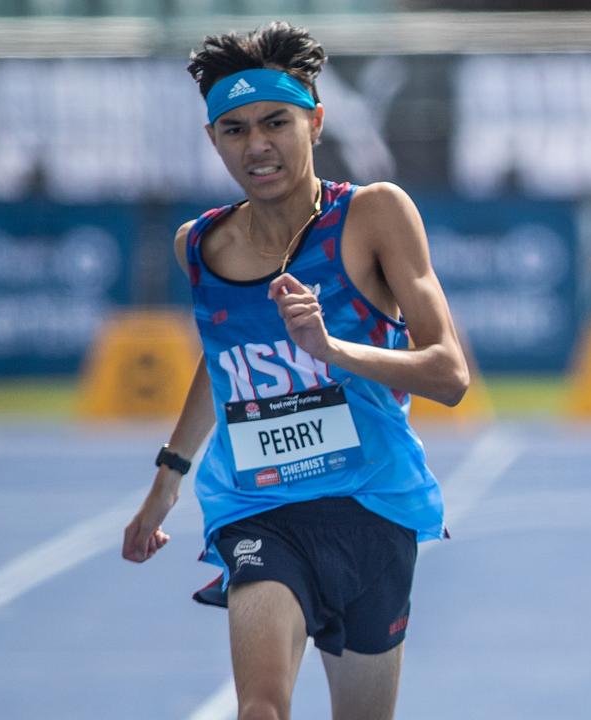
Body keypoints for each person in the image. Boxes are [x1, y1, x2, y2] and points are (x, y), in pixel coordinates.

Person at [121, 22, 469, 720]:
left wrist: (331, 349)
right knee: (260, 710)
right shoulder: (199, 244)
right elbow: (223, 363)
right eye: (235, 129)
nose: (257, 146)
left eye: (275, 122)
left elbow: (450, 373)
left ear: (315, 120)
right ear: (213, 138)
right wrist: (167, 483)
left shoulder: (373, 214)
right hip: (261, 510)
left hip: (372, 504)